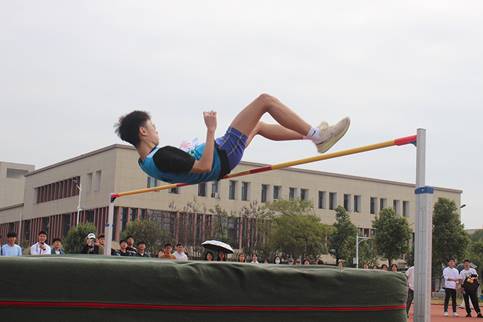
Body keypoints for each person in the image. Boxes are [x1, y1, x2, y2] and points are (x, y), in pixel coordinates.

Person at [115, 95, 350, 186]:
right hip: (223, 153)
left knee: (256, 126)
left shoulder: (146, 163)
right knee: (264, 101)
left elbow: (188, 169)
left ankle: (309, 136)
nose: (156, 130)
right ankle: (319, 137)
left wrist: (191, 151)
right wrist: (210, 130)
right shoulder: (162, 155)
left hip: (223, 158)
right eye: (152, 127)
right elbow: (204, 166)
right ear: (142, 132)